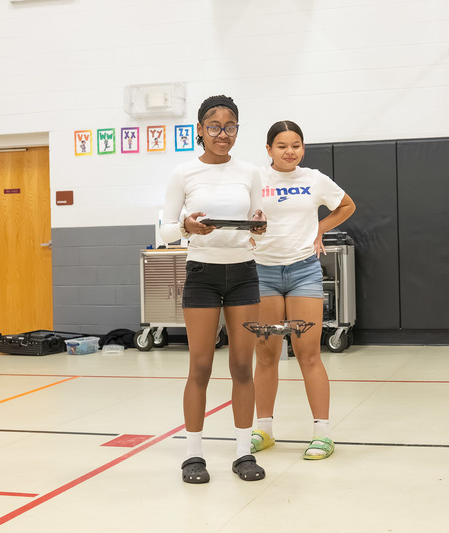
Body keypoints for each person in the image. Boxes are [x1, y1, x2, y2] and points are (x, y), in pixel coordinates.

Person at [160, 95, 267, 484]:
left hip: (243, 273)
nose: (224, 133)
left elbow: (257, 221)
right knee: (201, 366)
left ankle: (243, 452)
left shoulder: (251, 172)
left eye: (231, 126)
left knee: (242, 366)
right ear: (201, 130)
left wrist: (260, 225)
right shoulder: (183, 174)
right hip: (202, 273)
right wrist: (187, 227)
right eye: (215, 126)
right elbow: (165, 230)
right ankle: (193, 455)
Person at [250, 120, 356, 460]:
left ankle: (322, 433)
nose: (289, 151)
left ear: (303, 148)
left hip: (303, 273)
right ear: (269, 150)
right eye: (281, 145)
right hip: (262, 274)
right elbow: (240, 216)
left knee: (308, 353)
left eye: (296, 145)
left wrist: (318, 230)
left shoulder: (314, 179)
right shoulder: (254, 179)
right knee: (267, 354)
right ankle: (263, 430)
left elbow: (347, 205)